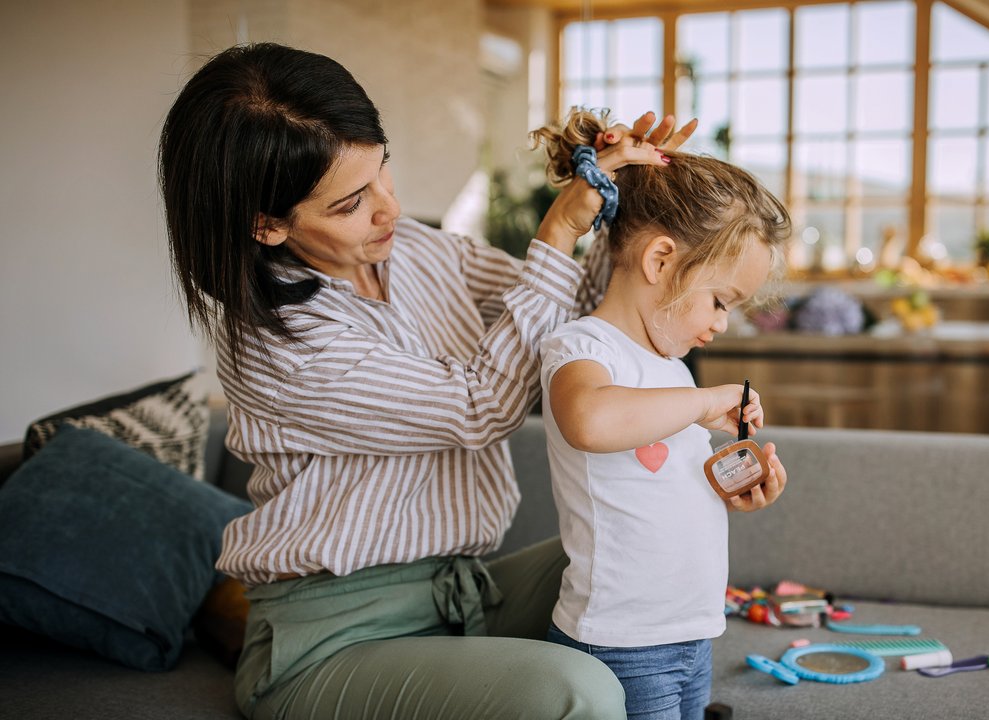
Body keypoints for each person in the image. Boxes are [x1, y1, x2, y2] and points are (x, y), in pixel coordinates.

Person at [159, 42, 698, 720]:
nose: (390, 208)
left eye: (384, 172)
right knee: (578, 694)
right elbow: (484, 405)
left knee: (656, 549)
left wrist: (623, 205)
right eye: (352, 202)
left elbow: (565, 314)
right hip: (333, 640)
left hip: (461, 594)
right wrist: (557, 227)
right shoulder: (277, 343)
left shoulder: (415, 248)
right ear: (266, 224)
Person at [530, 109, 791, 719]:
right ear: (659, 261)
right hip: (621, 641)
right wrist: (704, 404)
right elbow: (592, 421)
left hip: (691, 629)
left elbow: (663, 482)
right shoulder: (581, 347)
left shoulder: (670, 367)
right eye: (720, 300)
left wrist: (734, 483)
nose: (722, 323)